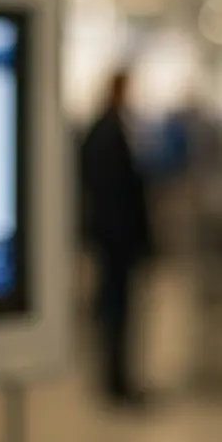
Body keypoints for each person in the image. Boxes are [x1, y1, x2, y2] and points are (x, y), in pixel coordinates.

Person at [77, 70, 155, 408]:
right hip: (115, 240)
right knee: (114, 311)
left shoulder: (109, 129)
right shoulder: (107, 132)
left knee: (118, 312)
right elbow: (112, 192)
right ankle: (114, 381)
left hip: (115, 239)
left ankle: (119, 378)